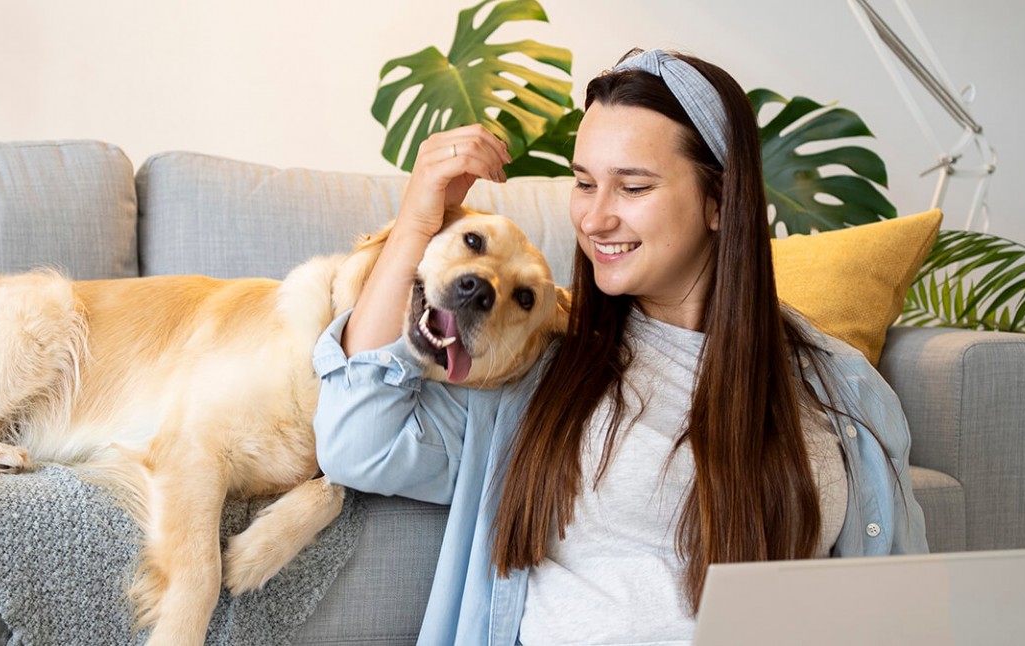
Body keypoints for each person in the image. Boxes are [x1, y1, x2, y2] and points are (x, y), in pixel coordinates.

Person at [312, 48, 928, 645]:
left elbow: (900, 608)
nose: (595, 219)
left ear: (720, 201)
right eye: (584, 184)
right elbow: (357, 442)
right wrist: (418, 220)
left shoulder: (838, 386)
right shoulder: (542, 364)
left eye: (632, 188)